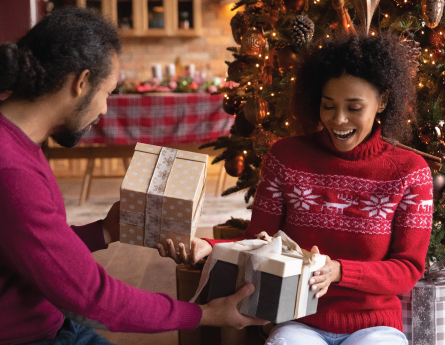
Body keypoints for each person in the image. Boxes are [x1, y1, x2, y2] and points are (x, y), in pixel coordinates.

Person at [0, 7, 268, 345]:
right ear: (81, 83)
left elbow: (38, 254)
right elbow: (93, 299)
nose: (105, 110)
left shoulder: (17, 140)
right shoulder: (11, 171)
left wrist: (105, 229)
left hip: (51, 321)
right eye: (107, 93)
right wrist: (208, 313)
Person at [158, 32, 433, 345]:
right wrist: (208, 248)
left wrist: (340, 271)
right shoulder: (286, 157)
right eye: (328, 106)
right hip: (299, 321)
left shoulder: (410, 172)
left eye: (354, 108)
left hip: (374, 326)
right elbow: (257, 241)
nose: (338, 120)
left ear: (382, 101)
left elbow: (407, 269)